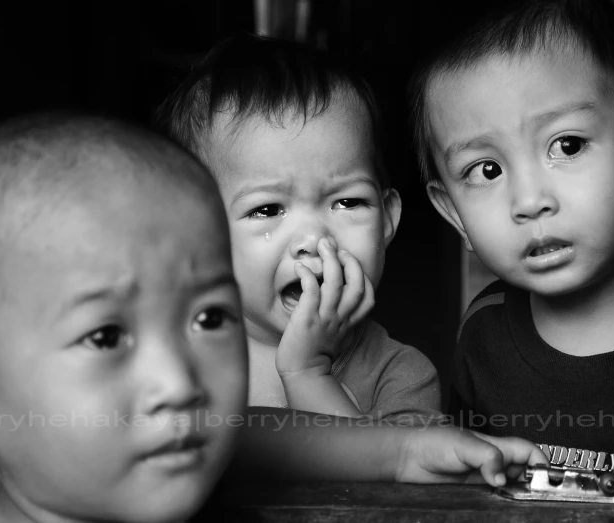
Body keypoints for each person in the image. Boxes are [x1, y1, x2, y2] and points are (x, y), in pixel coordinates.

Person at [0, 112, 547, 521]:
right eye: (106, 335)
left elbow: (267, 434)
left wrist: (406, 453)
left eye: (209, 318)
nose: (181, 380)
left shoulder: (190, 433)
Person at [409, 0, 614, 480]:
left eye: (566, 145)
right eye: (487, 170)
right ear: (454, 213)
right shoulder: (484, 331)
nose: (528, 200)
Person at [156, 33, 442, 423]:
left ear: (387, 219)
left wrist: (308, 374)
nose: (314, 240)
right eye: (267, 209)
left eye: (347, 202)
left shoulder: (401, 376)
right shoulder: (178, 361)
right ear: (200, 231)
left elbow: (383, 475)